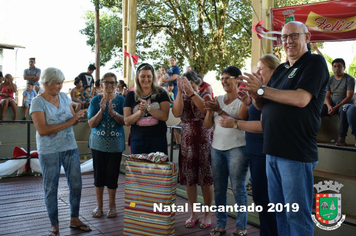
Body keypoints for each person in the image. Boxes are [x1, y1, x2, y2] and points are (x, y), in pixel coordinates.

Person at [240, 21, 329, 236]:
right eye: (284, 37)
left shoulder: (314, 63)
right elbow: (263, 106)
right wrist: (255, 95)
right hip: (272, 151)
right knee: (280, 213)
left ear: (307, 37)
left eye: (293, 36)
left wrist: (262, 91)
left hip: (295, 153)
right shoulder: (281, 69)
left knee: (297, 217)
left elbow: (301, 99)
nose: (288, 41)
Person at [30, 67, 90, 236]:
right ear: (46, 83)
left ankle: (74, 218)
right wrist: (71, 120)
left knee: (76, 184)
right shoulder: (37, 102)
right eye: (57, 83)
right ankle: (54, 225)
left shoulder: (64, 97)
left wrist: (77, 117)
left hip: (70, 147)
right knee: (51, 187)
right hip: (49, 151)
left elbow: (71, 121)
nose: (60, 87)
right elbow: (42, 130)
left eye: (62, 83)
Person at [230, 54, 280, 236]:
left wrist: (234, 124)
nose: (257, 73)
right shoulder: (261, 92)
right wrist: (247, 102)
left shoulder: (274, 93)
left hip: (265, 150)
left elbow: (263, 126)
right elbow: (249, 115)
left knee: (267, 198)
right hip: (254, 150)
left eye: (261, 69)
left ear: (274, 71)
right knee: (260, 197)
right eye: (256, 69)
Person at [204, 66, 249, 236]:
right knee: (219, 188)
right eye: (221, 78)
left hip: (237, 149)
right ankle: (221, 224)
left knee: (238, 188)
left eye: (227, 78)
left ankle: (241, 227)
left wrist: (218, 110)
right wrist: (210, 110)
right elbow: (208, 125)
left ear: (238, 79)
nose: (223, 81)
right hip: (217, 148)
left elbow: (242, 119)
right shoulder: (219, 99)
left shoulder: (243, 100)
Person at [172, 70, 214, 230]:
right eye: (182, 83)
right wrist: (180, 92)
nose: (185, 85)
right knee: (189, 179)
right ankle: (194, 213)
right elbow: (176, 113)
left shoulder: (205, 92)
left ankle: (208, 213)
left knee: (205, 178)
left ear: (194, 82)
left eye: (187, 82)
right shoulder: (181, 94)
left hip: (203, 140)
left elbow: (204, 110)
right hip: (187, 141)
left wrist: (191, 92)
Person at [87, 72, 125, 218]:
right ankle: (99, 206)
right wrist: (101, 111)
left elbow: (125, 121)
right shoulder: (95, 101)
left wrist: (113, 113)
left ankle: (112, 205)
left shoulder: (121, 100)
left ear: (116, 85)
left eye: (112, 83)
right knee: (99, 176)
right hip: (97, 143)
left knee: (112, 175)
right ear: (101, 84)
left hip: (116, 144)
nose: (109, 85)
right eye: (106, 82)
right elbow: (91, 123)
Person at [123, 63, 170, 154]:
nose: (146, 79)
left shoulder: (161, 93)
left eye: (149, 76)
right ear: (137, 77)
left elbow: (165, 116)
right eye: (142, 76)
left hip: (158, 140)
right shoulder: (131, 95)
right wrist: (139, 112)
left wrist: (148, 108)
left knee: (157, 168)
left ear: (153, 77)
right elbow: (127, 121)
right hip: (137, 140)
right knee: (138, 168)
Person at [321, 58, 355, 146]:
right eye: (334, 66)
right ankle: (311, 135)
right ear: (332, 68)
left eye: (339, 66)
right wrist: (329, 107)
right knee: (317, 109)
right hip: (332, 104)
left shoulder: (350, 79)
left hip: (346, 104)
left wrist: (336, 108)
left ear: (344, 67)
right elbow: (327, 96)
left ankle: (341, 138)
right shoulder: (330, 79)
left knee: (343, 109)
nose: (337, 68)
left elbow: (349, 97)